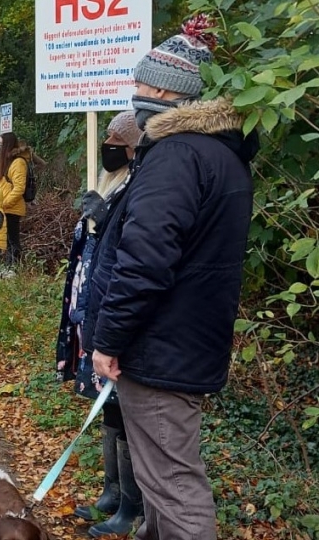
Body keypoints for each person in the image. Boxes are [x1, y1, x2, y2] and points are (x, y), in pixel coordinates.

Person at [86, 15, 259, 540]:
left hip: (160, 348)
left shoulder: (177, 155)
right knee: (160, 483)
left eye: (141, 82)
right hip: (182, 340)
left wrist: (108, 339)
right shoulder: (219, 154)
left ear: (166, 88)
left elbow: (145, 262)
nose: (135, 92)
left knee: (173, 484)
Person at [56, 111, 144, 537]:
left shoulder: (140, 186)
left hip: (116, 311)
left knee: (123, 410)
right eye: (105, 134)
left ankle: (131, 505)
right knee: (108, 407)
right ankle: (112, 492)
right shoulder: (112, 182)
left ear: (132, 148)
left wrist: (106, 217)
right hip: (95, 308)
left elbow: (130, 248)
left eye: (114, 137)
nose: (106, 143)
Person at [0, 132, 28, 271]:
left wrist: (5, 203)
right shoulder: (6, 161)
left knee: (13, 239)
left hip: (11, 208)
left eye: (1, 144)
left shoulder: (18, 162)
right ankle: (9, 265)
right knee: (7, 239)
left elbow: (19, 188)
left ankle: (14, 267)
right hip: (3, 207)